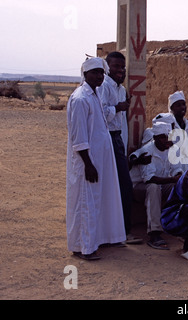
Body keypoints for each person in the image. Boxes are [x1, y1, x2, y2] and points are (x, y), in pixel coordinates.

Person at [66, 57, 126, 260]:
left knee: (99, 199)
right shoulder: (81, 99)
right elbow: (79, 137)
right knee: (86, 202)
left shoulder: (95, 95)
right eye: (95, 73)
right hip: (88, 161)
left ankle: (101, 239)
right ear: (85, 74)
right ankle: (84, 248)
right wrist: (88, 164)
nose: (100, 76)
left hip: (99, 159)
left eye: (102, 73)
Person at [97, 51, 142, 245]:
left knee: (122, 185)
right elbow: (99, 114)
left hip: (116, 140)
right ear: (107, 68)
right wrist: (118, 107)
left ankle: (120, 231)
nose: (120, 71)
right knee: (116, 185)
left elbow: (122, 121)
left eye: (122, 67)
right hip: (104, 139)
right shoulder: (103, 87)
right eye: (116, 67)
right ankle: (118, 231)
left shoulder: (121, 90)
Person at [129, 122, 183, 249]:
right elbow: (150, 179)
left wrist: (179, 176)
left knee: (181, 186)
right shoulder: (147, 151)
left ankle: (180, 226)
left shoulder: (172, 149)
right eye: (163, 137)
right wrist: (173, 178)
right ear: (155, 138)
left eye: (168, 136)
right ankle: (155, 233)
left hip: (160, 183)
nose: (167, 140)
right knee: (153, 187)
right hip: (139, 188)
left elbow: (176, 169)